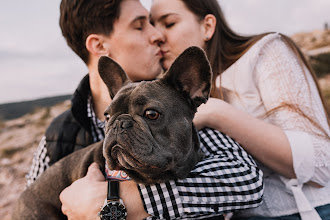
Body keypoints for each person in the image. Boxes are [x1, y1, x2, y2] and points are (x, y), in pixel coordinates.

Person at [26, 0, 263, 219]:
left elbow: (246, 179)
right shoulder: (57, 138)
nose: (157, 35)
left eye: (151, 115)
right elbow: (30, 203)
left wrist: (117, 204)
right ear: (98, 45)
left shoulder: (175, 102)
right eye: (140, 27)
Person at [149, 0, 330, 219]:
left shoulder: (265, 53)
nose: (157, 36)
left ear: (207, 26)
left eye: (169, 24)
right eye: (150, 25)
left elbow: (322, 163)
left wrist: (218, 114)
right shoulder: (168, 95)